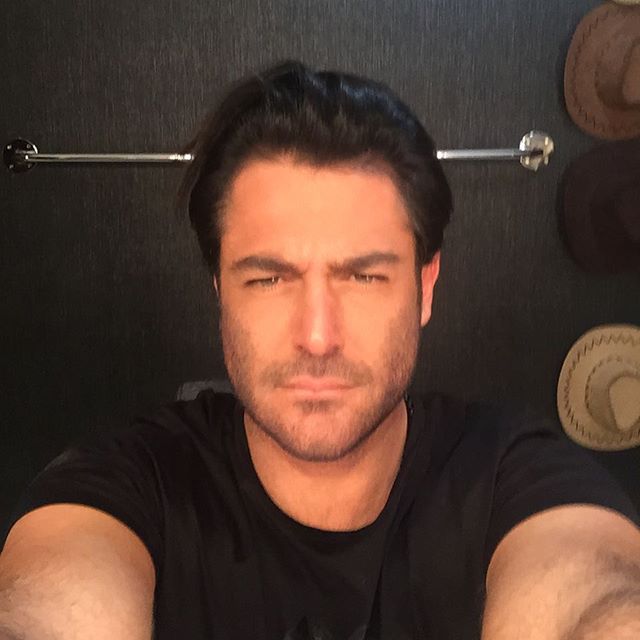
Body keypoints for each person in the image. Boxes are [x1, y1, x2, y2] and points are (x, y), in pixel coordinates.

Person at [1, 61, 639, 640]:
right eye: (268, 279)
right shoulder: (127, 483)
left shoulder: (515, 475)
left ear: (424, 288)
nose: (316, 336)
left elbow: (593, 598)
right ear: (220, 291)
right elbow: (47, 608)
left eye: (363, 276)